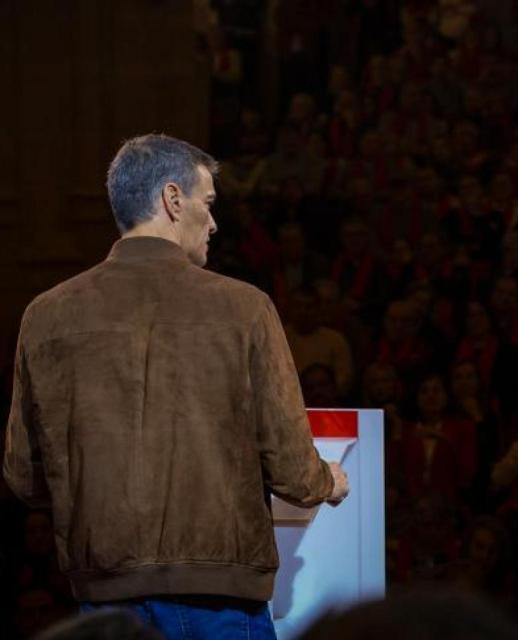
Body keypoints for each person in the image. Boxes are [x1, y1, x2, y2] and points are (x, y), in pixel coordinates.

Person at [3, 134, 349, 638]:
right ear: (172, 199)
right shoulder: (244, 307)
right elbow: (294, 471)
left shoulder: (46, 315)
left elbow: (22, 473)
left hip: (103, 599)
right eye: (207, 204)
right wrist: (329, 482)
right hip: (220, 598)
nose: (214, 222)